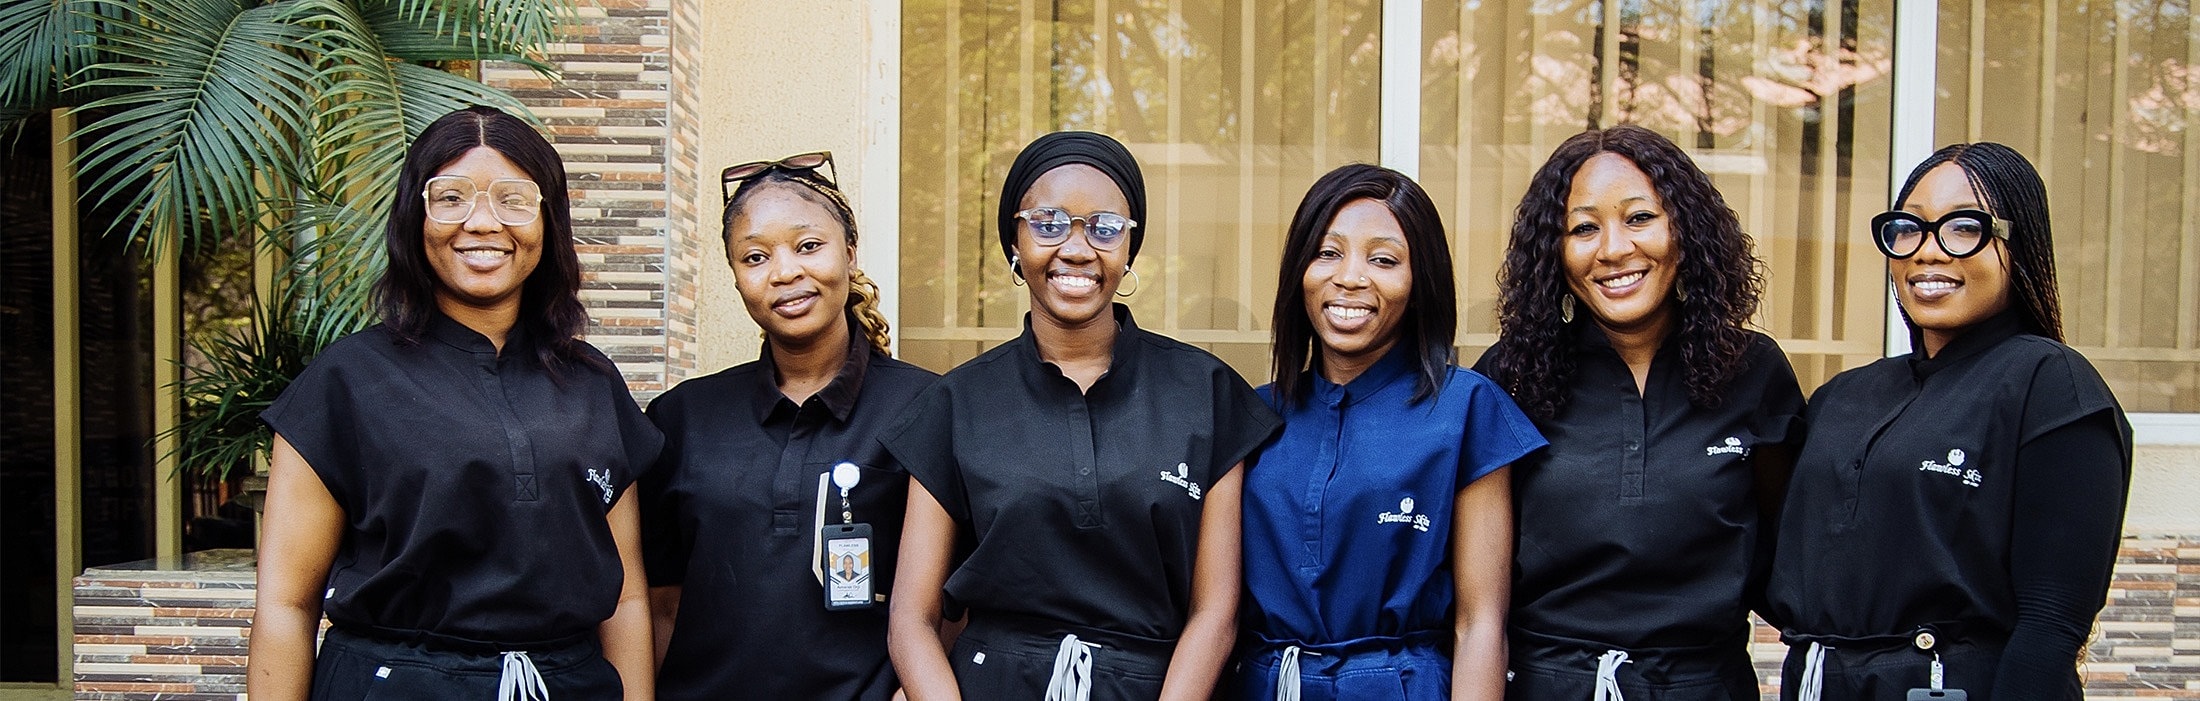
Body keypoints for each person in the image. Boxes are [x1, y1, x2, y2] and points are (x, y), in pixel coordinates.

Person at [248, 105, 662, 701]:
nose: (482, 222)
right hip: (394, 684)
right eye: (451, 197)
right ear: (416, 216)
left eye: (513, 199)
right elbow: (287, 603)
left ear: (548, 220)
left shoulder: (592, 384)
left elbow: (624, 597)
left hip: (566, 684)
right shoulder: (346, 381)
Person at [884, 130, 1282, 701]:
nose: (1076, 248)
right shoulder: (956, 402)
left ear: (1129, 249)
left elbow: (1215, 615)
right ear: (1014, 245)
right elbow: (912, 623)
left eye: (1104, 228)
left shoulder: (1205, 392)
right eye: (1047, 223)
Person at [1765, 143, 2131, 700]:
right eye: (1908, 228)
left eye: (1964, 228)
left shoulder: (2050, 384)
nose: (1927, 252)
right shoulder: (1843, 397)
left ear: (2019, 242)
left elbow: (2051, 627)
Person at [1473, 125, 1805, 699]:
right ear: (1554, 251)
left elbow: (1788, 551)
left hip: (1705, 684)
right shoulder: (1510, 375)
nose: (1613, 249)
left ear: (1686, 231)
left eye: (1639, 218)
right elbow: (1475, 589)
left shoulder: (1753, 371)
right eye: (1582, 227)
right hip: (1546, 684)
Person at [1235, 164, 1544, 700]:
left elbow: (1480, 627)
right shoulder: (1253, 415)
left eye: (1383, 260)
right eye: (1328, 253)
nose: (1351, 277)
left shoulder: (1465, 408)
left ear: (1418, 281)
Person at [639, 151, 937, 700]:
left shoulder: (929, 408)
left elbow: (953, 610)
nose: (785, 272)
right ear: (734, 275)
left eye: (808, 246)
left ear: (849, 252)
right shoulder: (680, 419)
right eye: (755, 256)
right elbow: (658, 605)